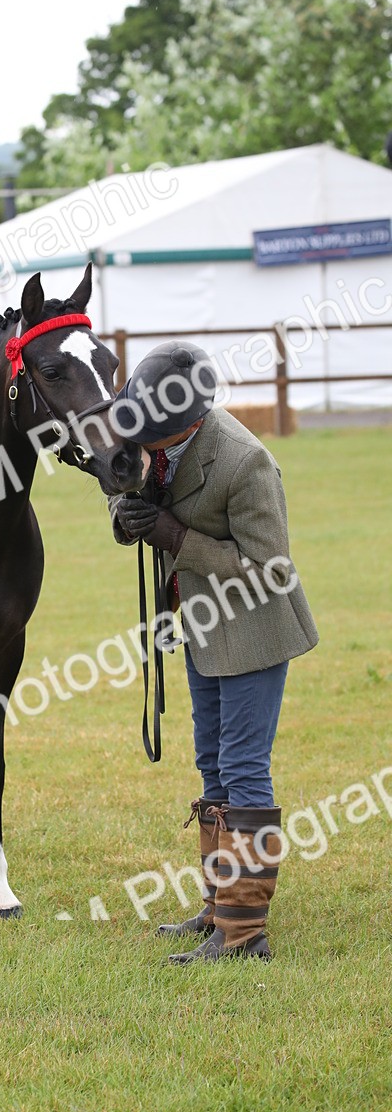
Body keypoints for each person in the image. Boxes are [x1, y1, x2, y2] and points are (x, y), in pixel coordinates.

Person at [109, 341, 318, 963]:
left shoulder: (245, 462)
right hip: (200, 626)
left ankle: (245, 931)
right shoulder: (156, 437)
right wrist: (128, 516)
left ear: (190, 422)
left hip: (253, 630)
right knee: (212, 765)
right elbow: (128, 493)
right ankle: (220, 903)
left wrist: (177, 537)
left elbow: (270, 570)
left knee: (245, 767)